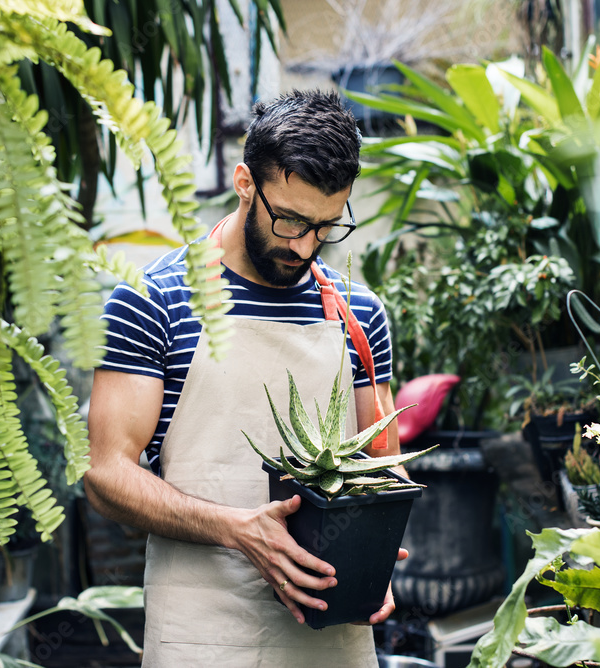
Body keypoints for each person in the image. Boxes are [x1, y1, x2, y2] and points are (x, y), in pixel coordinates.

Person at [85, 89, 405, 666]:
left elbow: (383, 468)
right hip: (201, 635)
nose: (304, 245)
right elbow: (107, 474)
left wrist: (376, 557)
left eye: (326, 226)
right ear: (244, 182)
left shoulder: (360, 314)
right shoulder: (154, 300)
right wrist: (237, 528)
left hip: (328, 636)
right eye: (289, 220)